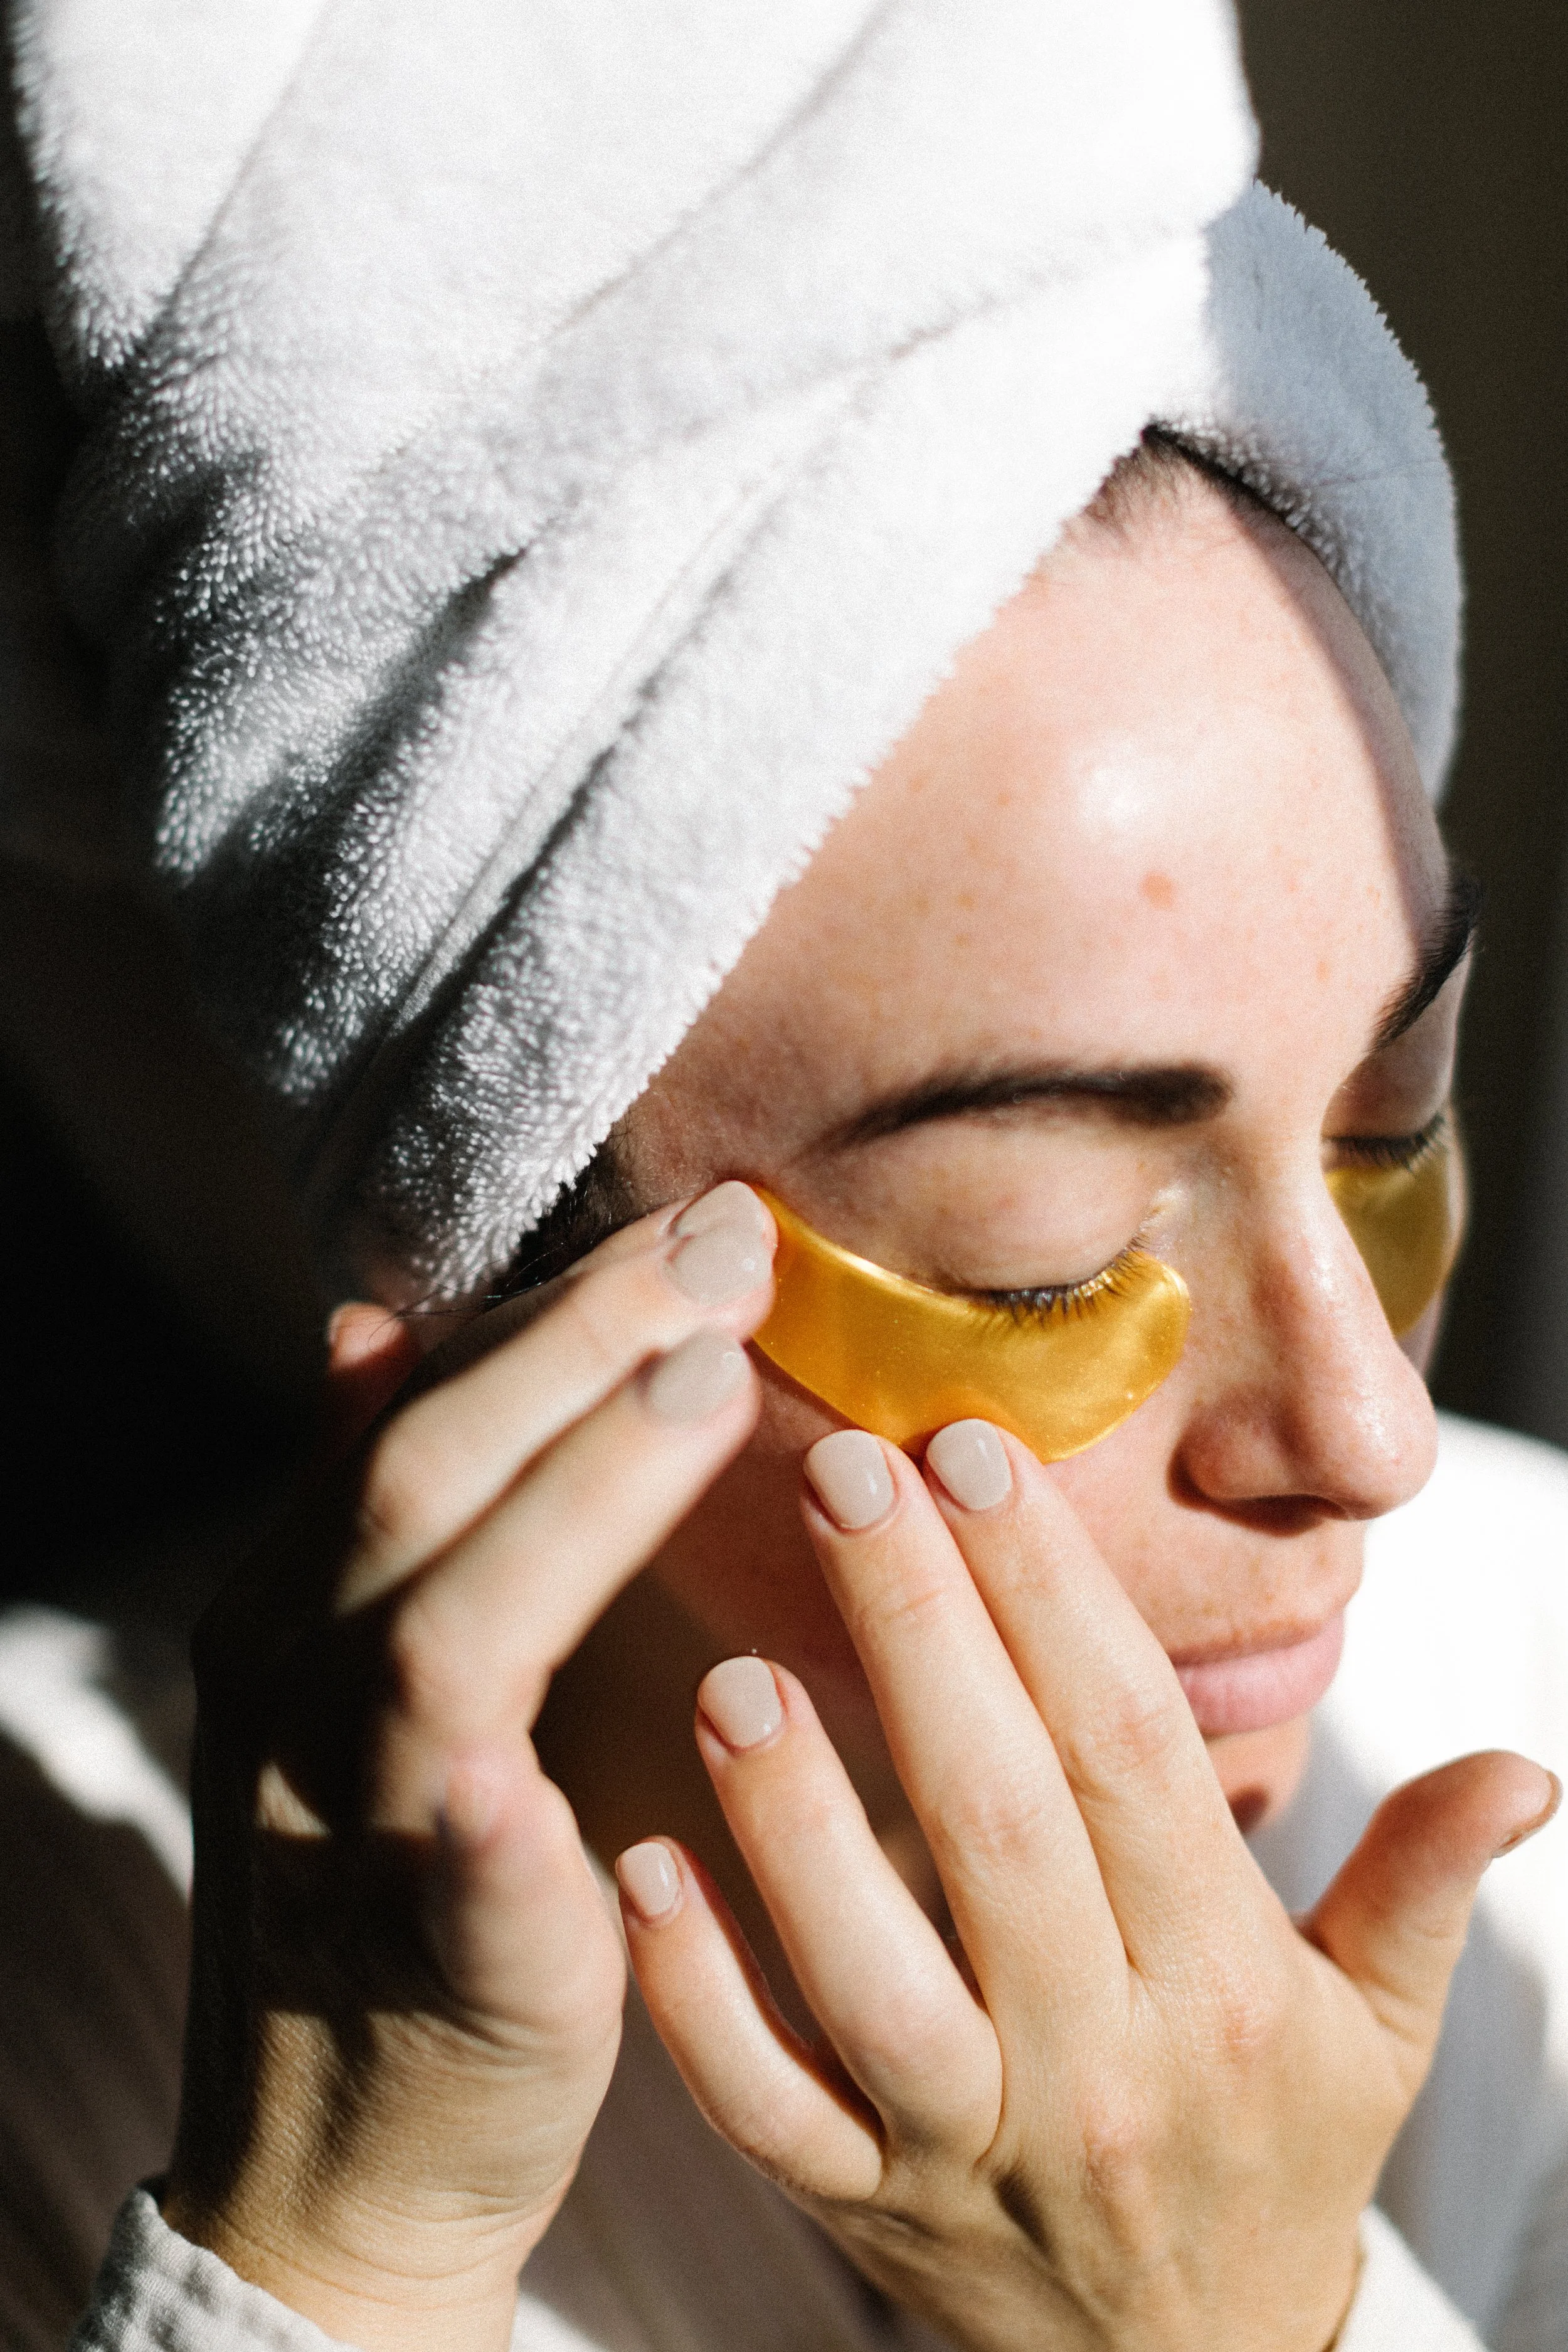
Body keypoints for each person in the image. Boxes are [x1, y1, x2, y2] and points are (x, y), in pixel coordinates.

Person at [1, 7, 1565, 2349]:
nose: (1360, 1435)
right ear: (488, 1302)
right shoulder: (65, 1962)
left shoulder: (1531, 1693)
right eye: (1043, 1270)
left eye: (1393, 1132)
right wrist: (335, 2265)